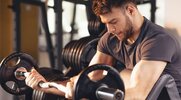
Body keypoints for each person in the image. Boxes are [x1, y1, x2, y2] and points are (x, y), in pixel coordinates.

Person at [25, 0, 181, 99]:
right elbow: (88, 78)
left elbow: (137, 96)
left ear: (131, 10)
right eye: (106, 23)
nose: (110, 29)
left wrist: (86, 93)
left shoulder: (158, 41)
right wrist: (46, 85)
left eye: (113, 21)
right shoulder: (111, 38)